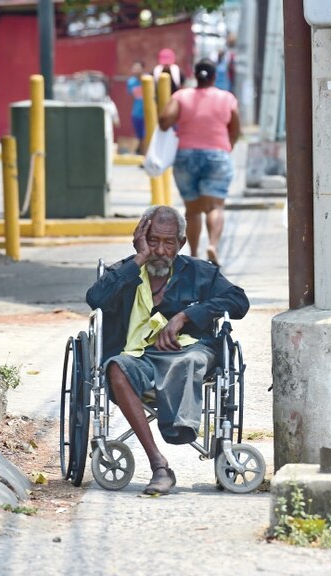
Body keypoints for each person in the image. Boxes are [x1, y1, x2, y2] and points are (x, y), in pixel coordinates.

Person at [86, 206, 250, 495]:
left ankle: (180, 425)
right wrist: (138, 259)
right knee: (115, 367)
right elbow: (95, 299)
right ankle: (159, 464)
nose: (160, 250)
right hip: (139, 357)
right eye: (153, 241)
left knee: (191, 358)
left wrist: (186, 316)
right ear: (140, 239)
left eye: (168, 242)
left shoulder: (199, 273)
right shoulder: (126, 272)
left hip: (189, 352)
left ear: (181, 243)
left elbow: (238, 301)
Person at [159, 59, 240, 267]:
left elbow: (164, 121)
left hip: (185, 155)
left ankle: (194, 253)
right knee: (215, 206)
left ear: (195, 76)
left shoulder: (182, 96)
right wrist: (227, 146)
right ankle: (212, 245)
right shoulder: (226, 98)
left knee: (192, 209)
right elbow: (235, 129)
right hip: (217, 154)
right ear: (214, 77)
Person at [126, 61, 145, 154]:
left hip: (147, 112)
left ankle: (143, 152)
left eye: (137, 67)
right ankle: (140, 151)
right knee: (139, 135)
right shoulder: (131, 82)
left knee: (146, 134)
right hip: (136, 112)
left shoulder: (148, 80)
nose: (135, 70)